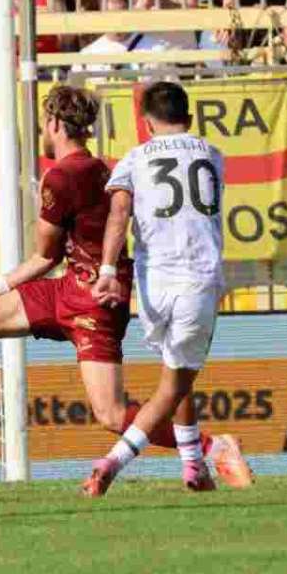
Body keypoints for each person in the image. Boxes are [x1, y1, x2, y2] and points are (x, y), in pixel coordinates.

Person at [0, 84, 253, 491]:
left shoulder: (62, 177)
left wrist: (3, 283)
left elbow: (45, 255)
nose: (42, 131)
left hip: (93, 301)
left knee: (113, 413)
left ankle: (211, 448)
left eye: (43, 123)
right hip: (73, 287)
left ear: (53, 123)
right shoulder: (105, 167)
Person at [85, 81, 234, 495]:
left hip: (153, 285)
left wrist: (107, 269)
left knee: (176, 371)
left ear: (147, 123)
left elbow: (118, 214)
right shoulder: (212, 154)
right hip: (197, 278)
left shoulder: (134, 159)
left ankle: (194, 468)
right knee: (173, 384)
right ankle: (112, 461)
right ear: (190, 116)